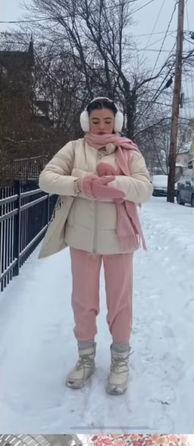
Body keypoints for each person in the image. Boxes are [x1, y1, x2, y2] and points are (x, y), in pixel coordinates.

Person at [39, 97, 153, 395]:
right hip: (82, 240)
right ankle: (86, 358)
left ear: (116, 122)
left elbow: (145, 189)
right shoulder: (74, 149)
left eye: (106, 120)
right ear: (85, 122)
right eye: (95, 121)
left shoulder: (128, 151)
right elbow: (46, 179)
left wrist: (115, 182)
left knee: (120, 304)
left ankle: (119, 361)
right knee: (83, 301)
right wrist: (81, 183)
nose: (101, 126)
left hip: (120, 240)